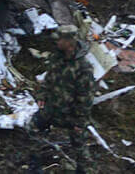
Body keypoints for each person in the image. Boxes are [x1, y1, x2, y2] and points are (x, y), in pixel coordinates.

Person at [36, 25, 94, 173]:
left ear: (69, 43)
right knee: (32, 129)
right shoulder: (56, 57)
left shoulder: (84, 68)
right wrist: (42, 95)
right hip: (52, 109)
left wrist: (79, 123)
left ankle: (84, 171)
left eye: (59, 40)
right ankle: (35, 165)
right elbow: (48, 79)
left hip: (71, 116)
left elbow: (85, 99)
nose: (56, 42)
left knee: (80, 146)